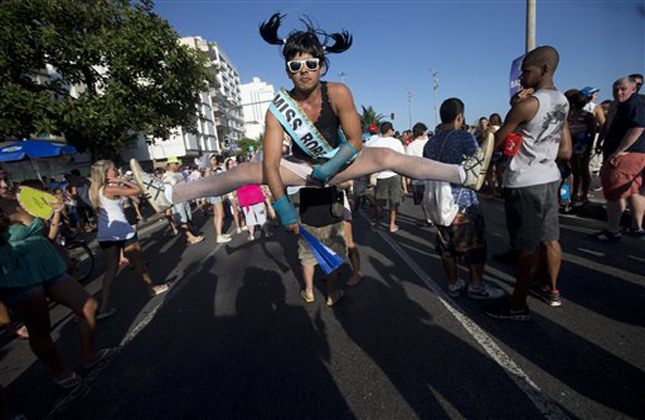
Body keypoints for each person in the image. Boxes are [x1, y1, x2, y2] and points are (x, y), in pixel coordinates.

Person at [130, 13, 494, 234]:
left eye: (310, 64)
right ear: (286, 68)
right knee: (245, 169)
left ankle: (464, 174)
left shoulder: (338, 91)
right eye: (295, 65)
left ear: (321, 65)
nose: (303, 71)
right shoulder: (278, 108)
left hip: (343, 161)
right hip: (303, 169)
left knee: (385, 157)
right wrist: (285, 209)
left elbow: (354, 140)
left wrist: (332, 167)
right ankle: (169, 195)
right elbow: (271, 165)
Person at [483, 46, 572, 320]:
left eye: (526, 71)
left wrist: (486, 145)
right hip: (549, 177)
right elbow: (564, 148)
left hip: (524, 181)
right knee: (551, 239)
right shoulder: (563, 102)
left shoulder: (526, 105)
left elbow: (496, 144)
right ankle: (552, 290)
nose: (521, 77)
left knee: (526, 246)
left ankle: (518, 303)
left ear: (544, 69)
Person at [0, 194, 111, 388]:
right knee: (40, 329)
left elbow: (47, 236)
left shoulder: (20, 199)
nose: (3, 183)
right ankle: (60, 371)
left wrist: (56, 212)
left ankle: (89, 356)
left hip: (48, 266)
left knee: (88, 307)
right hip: (18, 275)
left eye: (4, 177)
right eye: (0, 179)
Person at [424, 98, 505, 300]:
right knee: (475, 246)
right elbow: (478, 166)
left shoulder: (430, 142)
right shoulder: (464, 137)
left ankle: (453, 283)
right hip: (462, 201)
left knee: (445, 245)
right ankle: (476, 286)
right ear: (460, 116)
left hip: (439, 203)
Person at [89, 160, 169, 320]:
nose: (116, 171)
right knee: (139, 262)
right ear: (106, 173)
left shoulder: (95, 190)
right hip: (123, 232)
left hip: (106, 234)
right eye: (113, 169)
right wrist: (123, 181)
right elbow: (138, 190)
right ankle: (151, 288)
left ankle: (104, 306)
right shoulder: (110, 188)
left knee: (111, 270)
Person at [591, 77, 645, 240]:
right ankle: (637, 228)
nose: (618, 92)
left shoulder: (633, 104)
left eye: (623, 89)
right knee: (633, 192)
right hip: (635, 155)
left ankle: (613, 231)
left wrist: (619, 151)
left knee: (614, 194)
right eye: (616, 89)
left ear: (634, 89)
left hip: (626, 157)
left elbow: (638, 127)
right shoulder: (627, 104)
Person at [297, 186, 346, 306]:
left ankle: (309, 292)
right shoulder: (332, 168)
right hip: (331, 218)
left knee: (307, 256)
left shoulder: (300, 167)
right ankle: (331, 296)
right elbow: (346, 183)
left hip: (307, 217)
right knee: (332, 256)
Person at [365, 122, 406, 232]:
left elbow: (369, 160)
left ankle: (378, 223)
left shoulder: (374, 143)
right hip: (394, 174)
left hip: (380, 175)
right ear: (389, 130)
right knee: (394, 202)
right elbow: (402, 159)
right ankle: (392, 225)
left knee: (379, 202)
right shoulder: (396, 142)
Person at [565, 89, 596, 207]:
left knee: (583, 169)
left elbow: (592, 132)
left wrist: (588, 148)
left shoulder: (588, 116)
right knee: (574, 171)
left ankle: (584, 195)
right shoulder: (569, 116)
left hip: (582, 145)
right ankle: (573, 194)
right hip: (571, 145)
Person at [163, 158, 204, 245]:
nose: (178, 165)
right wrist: (170, 204)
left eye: (178, 163)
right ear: (169, 164)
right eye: (175, 163)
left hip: (184, 199)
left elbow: (188, 183)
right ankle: (191, 237)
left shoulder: (181, 174)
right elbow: (167, 191)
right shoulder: (166, 176)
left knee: (188, 217)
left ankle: (185, 236)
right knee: (182, 219)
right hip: (176, 201)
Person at [405, 122, 431, 226]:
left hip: (418, 176)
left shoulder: (411, 146)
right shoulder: (430, 142)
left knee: (423, 201)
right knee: (433, 198)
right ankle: (434, 218)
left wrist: (408, 180)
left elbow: (409, 163)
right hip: (433, 175)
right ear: (424, 131)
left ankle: (428, 218)